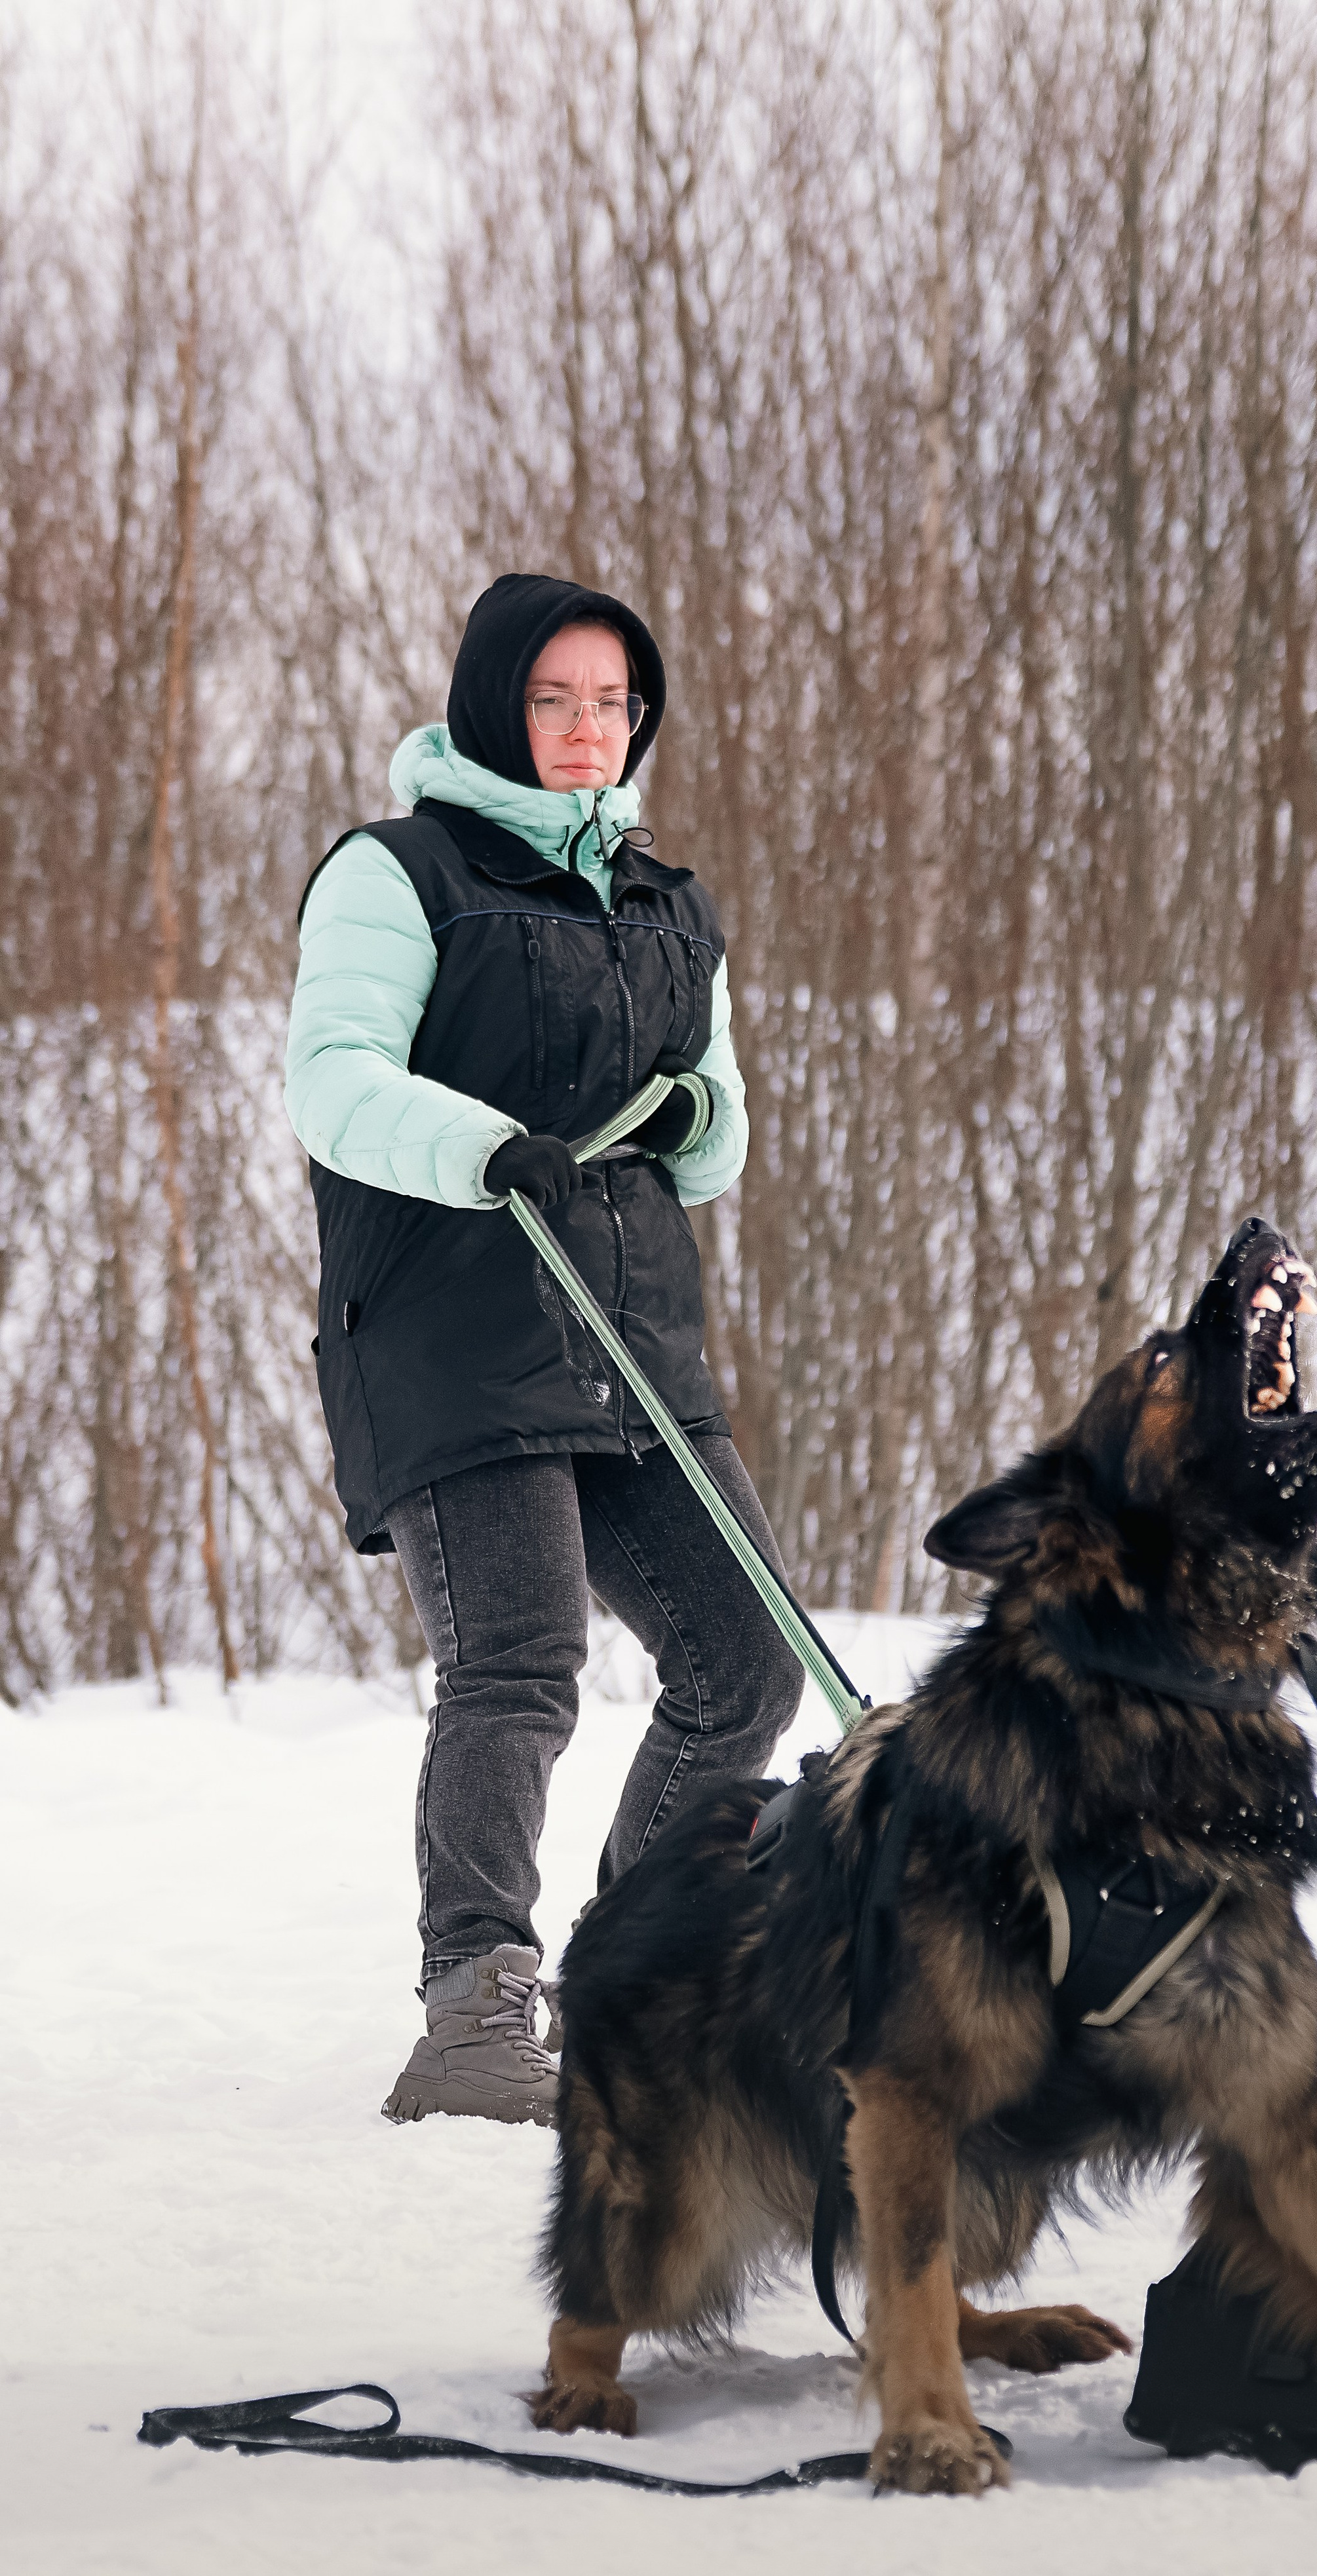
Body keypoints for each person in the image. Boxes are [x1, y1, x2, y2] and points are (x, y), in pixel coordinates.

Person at [284, 574, 804, 2127]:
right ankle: (474, 2010)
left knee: (746, 1661)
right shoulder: (397, 873)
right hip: (452, 1329)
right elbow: (334, 1080)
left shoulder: (666, 904)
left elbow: (713, 1140)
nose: (589, 731)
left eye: (614, 704)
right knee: (517, 1665)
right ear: (491, 705)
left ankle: (623, 1976)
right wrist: (483, 1147)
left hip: (632, 1337)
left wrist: (697, 1112)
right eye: (554, 699)